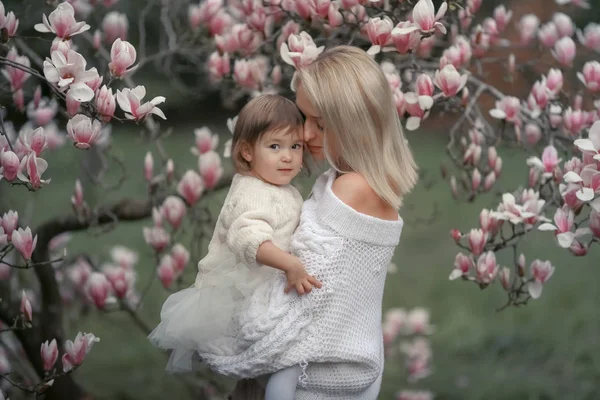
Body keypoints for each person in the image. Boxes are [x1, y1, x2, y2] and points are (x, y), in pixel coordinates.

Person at [207, 45, 419, 400]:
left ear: (353, 123)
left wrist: (235, 337)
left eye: (318, 124)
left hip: (309, 380)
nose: (304, 135)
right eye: (304, 119)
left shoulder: (353, 188)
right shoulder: (353, 179)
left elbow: (304, 297)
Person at [148, 94, 322, 400]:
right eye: (275, 146)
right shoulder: (254, 191)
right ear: (247, 152)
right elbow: (249, 239)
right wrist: (291, 264)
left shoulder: (281, 189)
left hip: (261, 296)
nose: (288, 156)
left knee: (259, 378)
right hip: (241, 300)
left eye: (295, 146)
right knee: (266, 373)